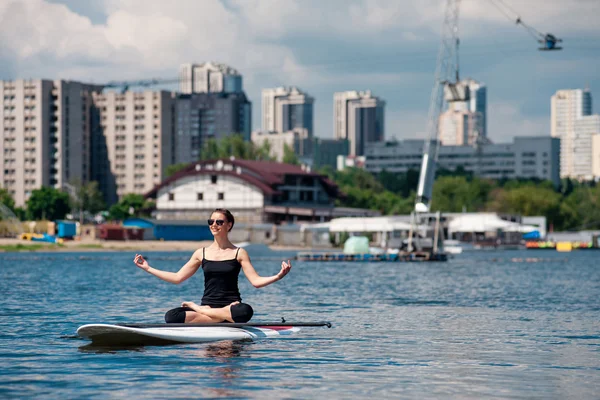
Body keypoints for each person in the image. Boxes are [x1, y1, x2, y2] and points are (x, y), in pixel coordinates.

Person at [133, 208, 291, 324]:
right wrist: (148, 268)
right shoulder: (200, 253)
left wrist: (278, 276)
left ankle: (205, 312)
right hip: (215, 310)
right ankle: (213, 315)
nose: (214, 225)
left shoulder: (239, 253)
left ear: (229, 225)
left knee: (244, 311)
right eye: (211, 221)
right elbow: (177, 278)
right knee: (171, 316)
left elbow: (255, 282)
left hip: (232, 309)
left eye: (219, 222)